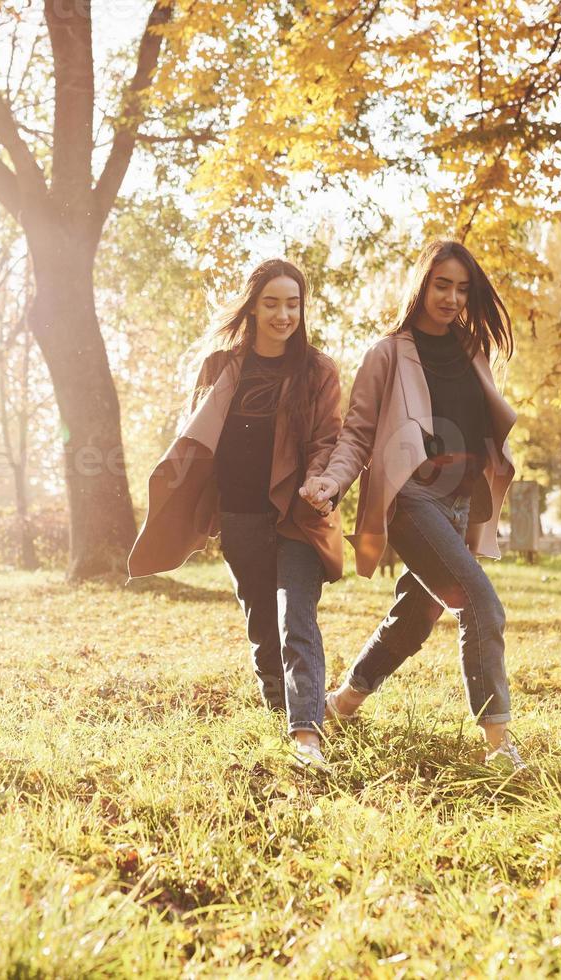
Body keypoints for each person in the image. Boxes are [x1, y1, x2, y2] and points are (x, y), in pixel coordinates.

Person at [299, 239, 527, 773]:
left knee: (417, 614)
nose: (451, 298)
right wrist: (332, 482)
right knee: (480, 603)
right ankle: (499, 746)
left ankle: (341, 704)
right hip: (411, 500)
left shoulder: (474, 352)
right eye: (441, 285)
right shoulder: (388, 353)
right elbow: (356, 435)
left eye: (462, 289)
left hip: (458, 504)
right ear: (421, 285)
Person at [127, 258, 343, 770]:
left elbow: (327, 438)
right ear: (252, 306)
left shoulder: (318, 370)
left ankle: (306, 730)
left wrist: (319, 480)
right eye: (271, 302)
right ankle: (277, 701)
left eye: (293, 303)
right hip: (240, 511)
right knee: (261, 617)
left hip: (297, 513)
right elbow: (198, 434)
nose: (283, 314)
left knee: (296, 616)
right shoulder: (220, 367)